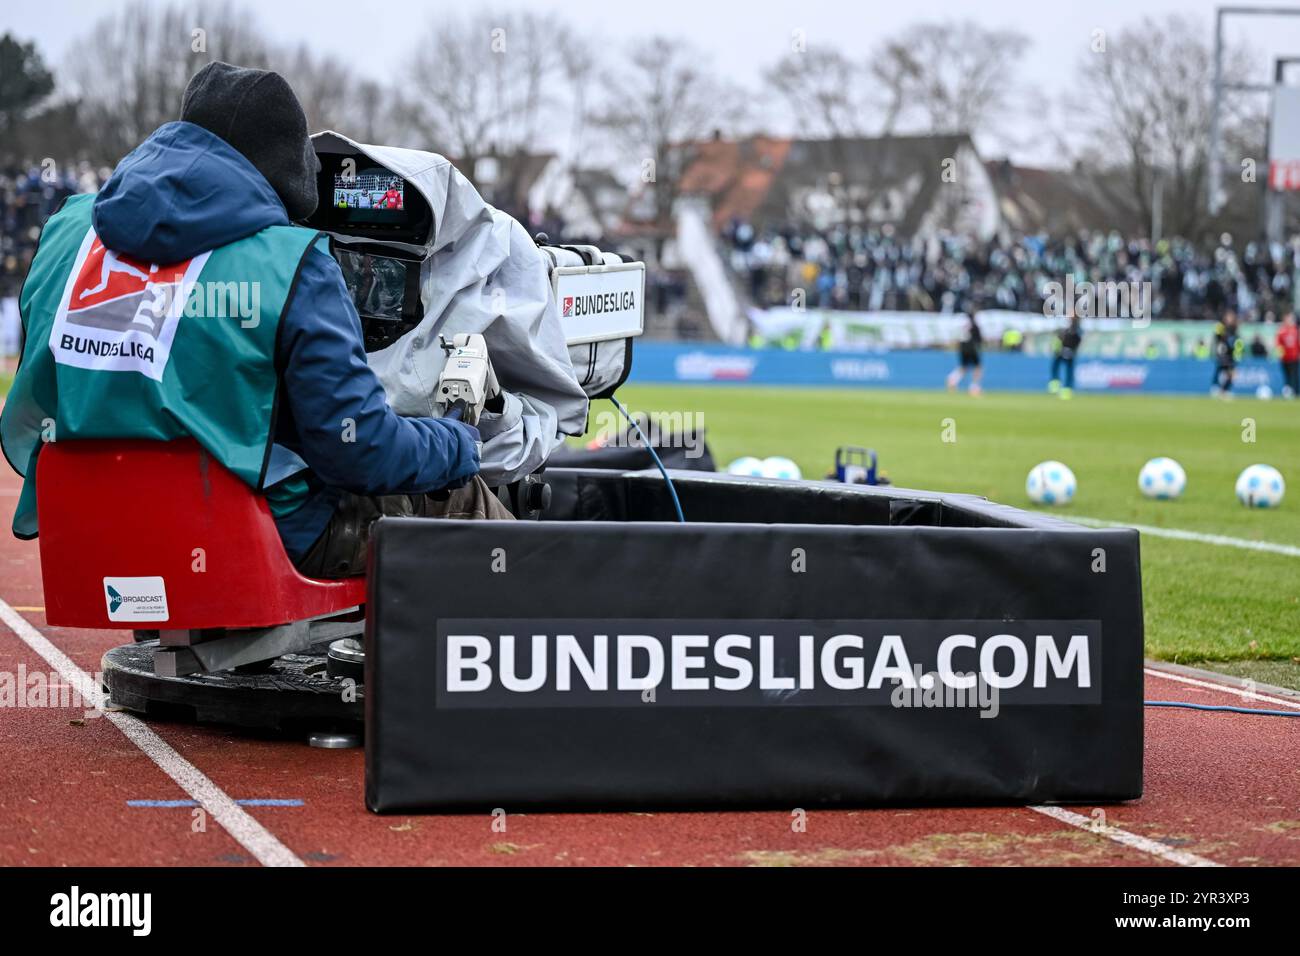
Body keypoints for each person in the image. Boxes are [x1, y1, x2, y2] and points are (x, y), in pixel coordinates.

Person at [0, 61, 511, 580]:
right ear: (287, 171)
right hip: (246, 546)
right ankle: (527, 640)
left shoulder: (66, 231)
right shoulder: (294, 263)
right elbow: (359, 453)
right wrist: (453, 440)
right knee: (458, 493)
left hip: (94, 536)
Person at [945, 310, 983, 395]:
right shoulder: (974, 326)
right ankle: (974, 387)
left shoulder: (962, 325)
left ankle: (953, 378)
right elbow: (979, 340)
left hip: (962, 347)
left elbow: (957, 338)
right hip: (971, 347)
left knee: (964, 367)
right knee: (978, 367)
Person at [1048, 317, 1082, 400]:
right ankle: (1059, 385)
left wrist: (1071, 351)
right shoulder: (1067, 331)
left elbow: (1076, 343)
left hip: (1067, 352)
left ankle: (1064, 388)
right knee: (1061, 368)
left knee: (1067, 370)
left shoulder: (1074, 332)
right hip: (1063, 351)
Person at [1212, 311, 1239, 397]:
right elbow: (1217, 337)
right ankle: (1217, 388)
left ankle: (1223, 390)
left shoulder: (1234, 329)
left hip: (1231, 355)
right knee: (1221, 371)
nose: (1229, 319)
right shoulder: (1221, 327)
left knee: (1231, 374)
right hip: (1223, 354)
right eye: (1228, 317)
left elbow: (1235, 341)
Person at [1278, 311, 1300, 399]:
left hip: (1294, 357)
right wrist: (1280, 354)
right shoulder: (1282, 331)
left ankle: (1296, 392)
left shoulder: (1296, 330)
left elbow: (1298, 343)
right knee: (1287, 375)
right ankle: (1288, 391)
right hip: (1285, 357)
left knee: (1294, 375)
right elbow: (1279, 344)